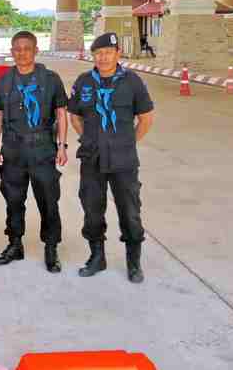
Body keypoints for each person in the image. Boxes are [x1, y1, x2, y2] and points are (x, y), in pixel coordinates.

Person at [67, 32, 154, 283]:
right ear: (93, 56)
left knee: (130, 211)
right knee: (92, 209)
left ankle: (133, 262)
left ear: (118, 54)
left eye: (108, 52)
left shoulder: (132, 81)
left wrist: (127, 142)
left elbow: (146, 118)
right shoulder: (84, 81)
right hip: (92, 158)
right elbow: (75, 116)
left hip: (123, 161)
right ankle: (97, 257)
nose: (103, 57)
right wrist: (91, 139)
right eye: (98, 53)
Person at [0, 31, 69, 272]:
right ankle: (15, 244)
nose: (21, 53)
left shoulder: (50, 79)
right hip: (13, 149)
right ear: (11, 51)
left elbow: (61, 113)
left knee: (48, 200)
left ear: (35, 50)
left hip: (42, 148)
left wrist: (62, 146)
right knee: (13, 199)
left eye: (26, 48)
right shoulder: (4, 81)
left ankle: (51, 247)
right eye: (17, 48)